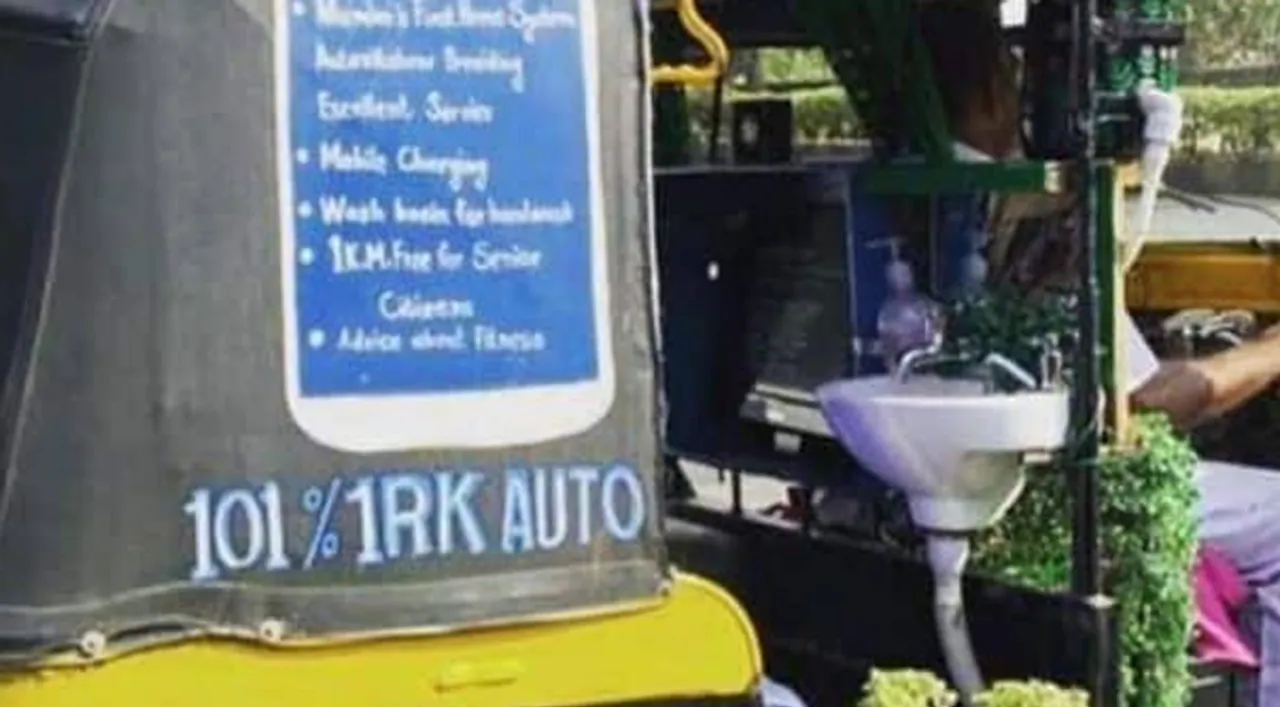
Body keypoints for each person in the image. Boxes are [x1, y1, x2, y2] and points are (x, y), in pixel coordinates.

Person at [914, 1, 1280, 703]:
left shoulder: (905, 188)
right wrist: (1269, 350)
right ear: (997, 86)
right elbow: (1148, 404)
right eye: (1013, 74)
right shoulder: (1028, 203)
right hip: (1041, 492)